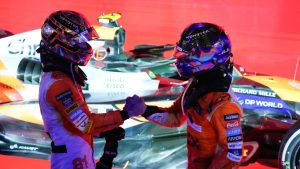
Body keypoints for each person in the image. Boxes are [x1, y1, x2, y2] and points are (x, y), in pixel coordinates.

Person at [37, 10, 146, 169]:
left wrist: (104, 134)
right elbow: (86, 124)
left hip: (76, 158)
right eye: (80, 41)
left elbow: (76, 126)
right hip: (70, 162)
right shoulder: (58, 84)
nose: (86, 46)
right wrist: (127, 112)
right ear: (62, 41)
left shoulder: (64, 76)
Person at [127, 22, 243, 169]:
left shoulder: (223, 105)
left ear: (211, 58)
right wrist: (143, 109)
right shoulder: (196, 86)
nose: (181, 61)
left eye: (188, 57)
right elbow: (175, 117)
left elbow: (233, 154)